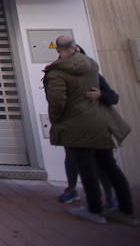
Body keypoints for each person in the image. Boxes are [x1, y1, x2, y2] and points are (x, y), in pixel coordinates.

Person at [43, 36, 136, 225]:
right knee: (110, 166)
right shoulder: (92, 67)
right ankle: (126, 211)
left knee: (87, 169)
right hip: (99, 124)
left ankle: (95, 209)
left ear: (58, 49)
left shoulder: (57, 71)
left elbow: (57, 101)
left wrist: (56, 120)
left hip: (76, 126)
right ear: (75, 47)